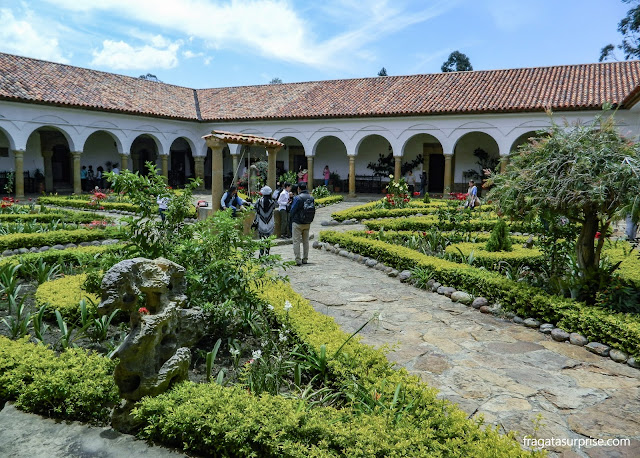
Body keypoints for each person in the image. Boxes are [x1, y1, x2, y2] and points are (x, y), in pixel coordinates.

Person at [290, 182, 314, 266]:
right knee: (306, 242)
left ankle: (298, 260)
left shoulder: (298, 198)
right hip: (307, 222)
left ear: (298, 189)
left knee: (296, 241)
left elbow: (292, 210)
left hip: (297, 223)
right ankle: (305, 259)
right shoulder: (311, 197)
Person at [255, 186, 276, 256]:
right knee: (268, 239)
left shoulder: (259, 201)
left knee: (261, 239)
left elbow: (255, 208)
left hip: (261, 222)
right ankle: (267, 253)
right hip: (270, 223)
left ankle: (261, 253)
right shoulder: (272, 202)